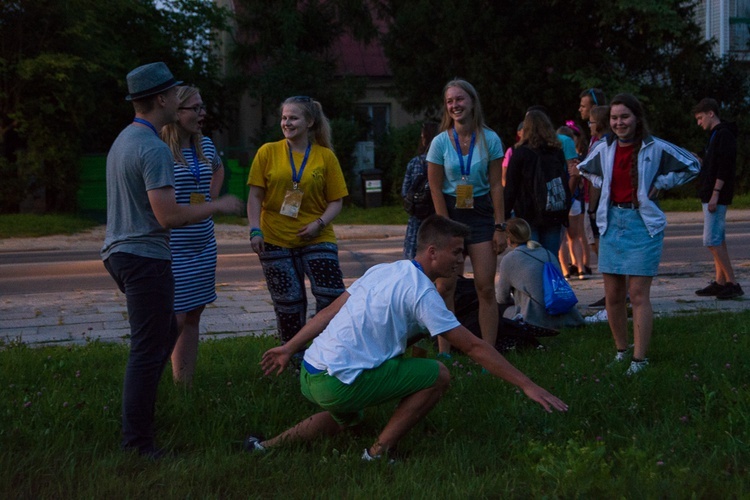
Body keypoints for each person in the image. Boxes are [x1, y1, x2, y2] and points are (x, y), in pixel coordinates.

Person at [245, 215, 568, 460]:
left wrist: (290, 349)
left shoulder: (384, 270)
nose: (462, 260)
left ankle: (265, 447)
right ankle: (377, 453)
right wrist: (527, 384)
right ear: (432, 252)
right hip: (338, 385)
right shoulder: (423, 293)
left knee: (347, 416)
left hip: (311, 372)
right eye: (456, 252)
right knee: (438, 374)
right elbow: (472, 347)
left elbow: (328, 313)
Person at [101, 62, 242, 457]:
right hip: (144, 256)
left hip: (123, 252)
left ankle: (146, 418)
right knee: (148, 350)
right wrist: (218, 205)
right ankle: (138, 444)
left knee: (163, 335)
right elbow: (169, 216)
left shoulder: (125, 140)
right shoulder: (153, 148)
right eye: (175, 94)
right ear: (162, 99)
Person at [577, 93, 699, 375]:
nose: (619, 123)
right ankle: (622, 351)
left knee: (638, 294)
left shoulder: (654, 147)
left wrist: (663, 182)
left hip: (643, 225)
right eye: (614, 118)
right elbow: (584, 169)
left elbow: (693, 165)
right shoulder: (604, 147)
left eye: (625, 117)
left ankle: (639, 360)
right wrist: (602, 181)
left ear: (637, 118)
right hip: (612, 223)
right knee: (613, 294)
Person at [247, 96, 349, 348]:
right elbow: (255, 196)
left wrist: (319, 223)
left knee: (332, 296)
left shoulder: (325, 157)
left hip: (317, 235)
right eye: (284, 117)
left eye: (293, 117)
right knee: (288, 303)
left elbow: (336, 201)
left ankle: (327, 349)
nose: (287, 122)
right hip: (274, 237)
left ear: (310, 122)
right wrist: (254, 230)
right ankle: (292, 358)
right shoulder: (267, 152)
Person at [426, 79, 506, 355]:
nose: (455, 105)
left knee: (485, 288)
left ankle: (488, 351)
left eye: (459, 99)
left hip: (482, 215)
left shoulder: (491, 139)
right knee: (445, 287)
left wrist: (500, 226)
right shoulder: (439, 142)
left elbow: (497, 185)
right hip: (450, 214)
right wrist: (444, 228)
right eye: (450, 101)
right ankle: (444, 351)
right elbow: (435, 188)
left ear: (472, 102)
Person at [160, 86, 224, 384]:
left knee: (194, 315)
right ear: (177, 112)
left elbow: (218, 169)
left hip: (203, 244)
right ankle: (148, 385)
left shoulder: (206, 146)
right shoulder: (159, 150)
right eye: (195, 109)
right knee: (175, 319)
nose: (202, 114)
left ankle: (183, 384)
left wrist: (209, 198)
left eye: (203, 107)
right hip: (175, 248)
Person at [692, 98, 743, 300]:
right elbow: (715, 164)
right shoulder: (716, 135)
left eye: (700, 118)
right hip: (712, 193)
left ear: (710, 113)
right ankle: (720, 282)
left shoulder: (724, 135)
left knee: (711, 240)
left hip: (716, 195)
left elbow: (725, 166)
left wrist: (715, 193)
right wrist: (701, 161)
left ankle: (732, 283)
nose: (699, 122)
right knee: (717, 239)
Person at [504, 110, 572, 256]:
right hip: (553, 211)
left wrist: (503, 217)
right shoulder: (556, 151)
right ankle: (551, 279)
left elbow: (511, 187)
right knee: (551, 257)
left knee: (531, 258)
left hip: (527, 214)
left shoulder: (520, 153)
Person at [497, 218, 584, 330]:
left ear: (508, 239)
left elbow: (502, 298)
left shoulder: (509, 259)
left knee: (495, 307)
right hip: (562, 312)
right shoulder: (547, 253)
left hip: (535, 317)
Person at [401, 121, 440, 259]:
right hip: (438, 214)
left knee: (413, 256)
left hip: (417, 216)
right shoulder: (444, 161)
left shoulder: (415, 162)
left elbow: (405, 191)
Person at [585, 105, 611, 309]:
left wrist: (592, 208)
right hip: (600, 201)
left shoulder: (601, 144)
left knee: (602, 248)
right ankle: (612, 291)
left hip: (600, 203)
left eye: (592, 122)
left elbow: (596, 180)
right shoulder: (599, 142)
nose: (589, 126)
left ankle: (612, 292)